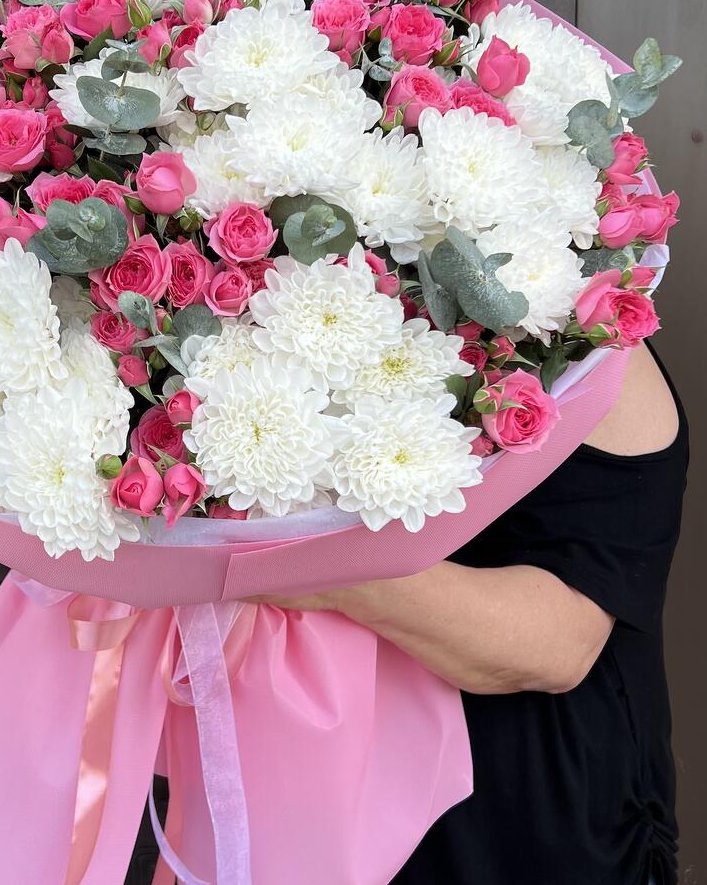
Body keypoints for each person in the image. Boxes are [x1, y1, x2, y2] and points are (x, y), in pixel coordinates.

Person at [127, 343, 686, 885]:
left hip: (514, 817)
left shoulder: (596, 346)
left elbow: (558, 646)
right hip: (303, 784)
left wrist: (313, 564)